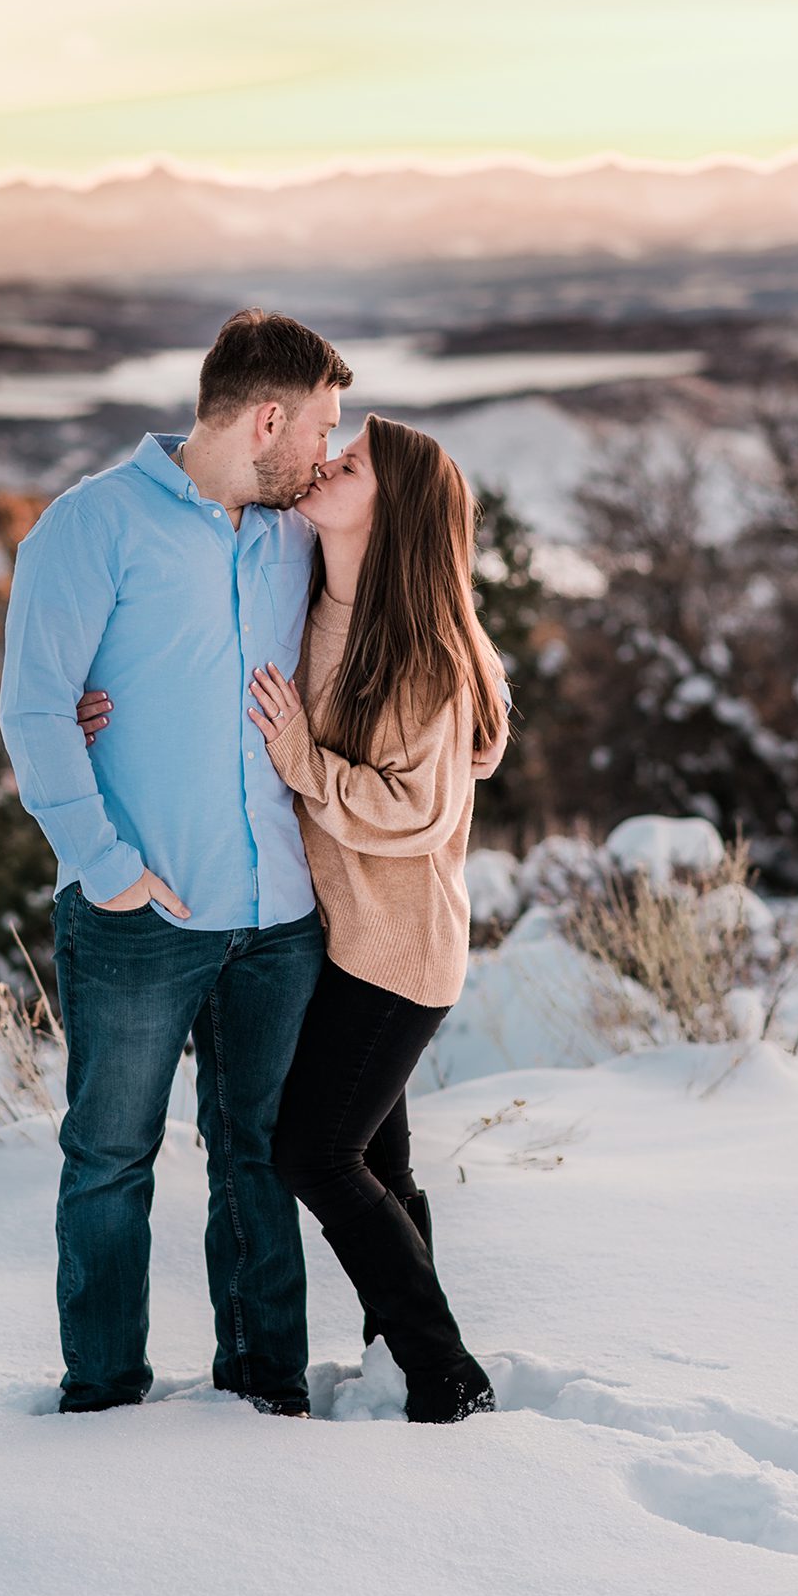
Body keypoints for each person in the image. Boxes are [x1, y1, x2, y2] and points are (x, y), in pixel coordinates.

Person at [0, 308, 352, 1416]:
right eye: (322, 427)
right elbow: (37, 707)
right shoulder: (90, 524)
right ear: (266, 418)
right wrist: (103, 863)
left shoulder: (298, 535)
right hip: (140, 912)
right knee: (112, 1156)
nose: (329, 453)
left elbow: (406, 622)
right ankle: (103, 1396)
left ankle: (264, 1390)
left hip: (278, 916)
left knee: (259, 1157)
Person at [245, 412, 512, 1423]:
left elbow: (416, 813)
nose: (326, 463)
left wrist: (302, 759)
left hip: (399, 954)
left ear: (389, 508)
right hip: (340, 939)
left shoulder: (423, 656)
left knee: (313, 1153)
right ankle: (400, 1362)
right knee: (378, 1163)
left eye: (348, 462)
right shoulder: (313, 592)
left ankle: (444, 1367)